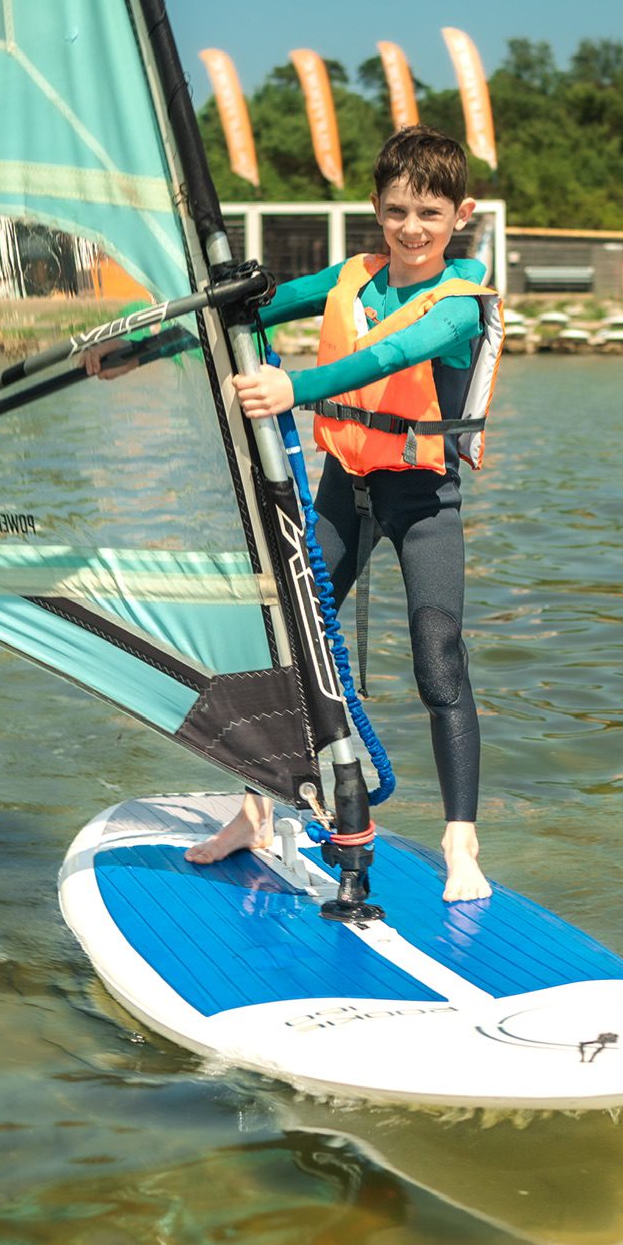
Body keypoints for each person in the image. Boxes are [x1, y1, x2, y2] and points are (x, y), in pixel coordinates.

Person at [197, 130, 502, 903]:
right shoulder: (352, 277)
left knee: (439, 660)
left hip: (423, 500)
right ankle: (254, 814)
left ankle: (461, 843)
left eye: (429, 213)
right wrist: (136, 344)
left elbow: (388, 356)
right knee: (285, 644)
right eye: (396, 211)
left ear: (461, 214)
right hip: (344, 488)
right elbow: (247, 309)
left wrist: (294, 388)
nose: (411, 228)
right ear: (375, 207)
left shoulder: (461, 304)